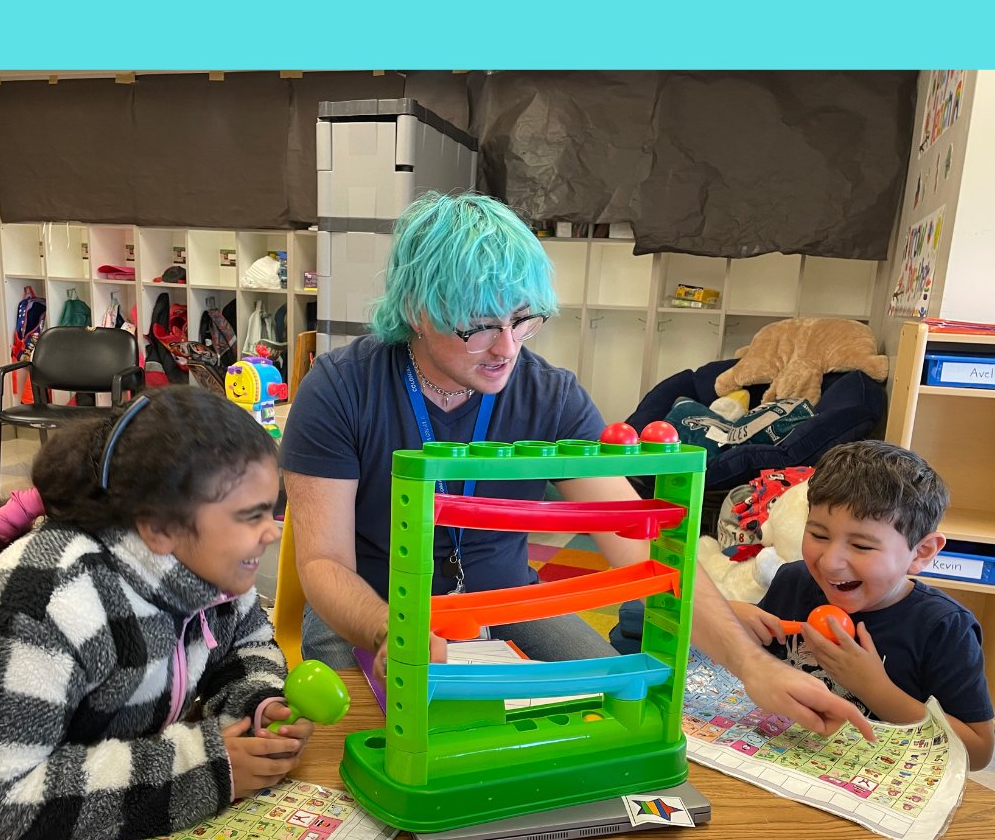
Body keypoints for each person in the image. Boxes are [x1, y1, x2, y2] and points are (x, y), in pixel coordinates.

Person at [280, 190, 872, 741]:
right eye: (479, 326)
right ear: (416, 309)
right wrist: (393, 631)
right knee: (370, 742)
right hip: (375, 612)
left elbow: (642, 546)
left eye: (522, 319)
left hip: (507, 601)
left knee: (618, 712)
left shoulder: (549, 395)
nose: (507, 348)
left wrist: (751, 667)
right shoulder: (341, 389)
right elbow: (325, 563)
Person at [0, 386, 313, 840]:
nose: (272, 532)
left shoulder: (214, 573)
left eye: (272, 510)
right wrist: (199, 769)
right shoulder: (38, 605)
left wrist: (258, 707)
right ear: (160, 526)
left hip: (69, 801)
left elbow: (246, 646)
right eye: (251, 516)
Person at [730, 440, 993, 768]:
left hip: (878, 784)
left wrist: (874, 688)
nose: (830, 563)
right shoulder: (794, 580)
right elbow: (754, 663)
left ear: (921, 553)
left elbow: (979, 752)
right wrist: (734, 624)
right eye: (819, 535)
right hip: (779, 760)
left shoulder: (944, 627)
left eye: (861, 545)